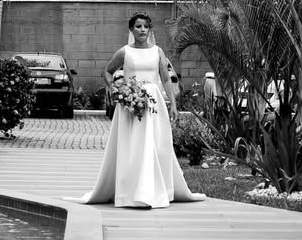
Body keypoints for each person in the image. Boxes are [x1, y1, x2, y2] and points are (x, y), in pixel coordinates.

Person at [69, 13, 205, 208]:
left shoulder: (158, 52)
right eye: (138, 26)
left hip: (154, 103)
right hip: (129, 104)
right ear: (131, 30)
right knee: (132, 145)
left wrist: (173, 104)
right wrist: (116, 89)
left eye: (145, 27)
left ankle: (157, 189)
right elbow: (107, 71)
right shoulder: (124, 52)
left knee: (157, 145)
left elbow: (166, 79)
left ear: (150, 30)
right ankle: (129, 191)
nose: (142, 30)